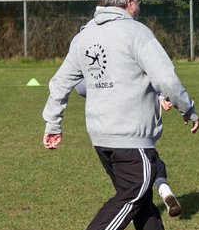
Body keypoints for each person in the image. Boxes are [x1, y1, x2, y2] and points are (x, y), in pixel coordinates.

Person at [42, 0, 199, 230]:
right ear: (129, 3)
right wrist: (188, 108)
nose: (139, 6)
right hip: (131, 135)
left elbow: (64, 83)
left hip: (101, 136)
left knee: (140, 199)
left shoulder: (84, 36)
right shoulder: (135, 32)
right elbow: (166, 78)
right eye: (138, 0)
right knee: (132, 195)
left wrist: (53, 123)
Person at [74, 79, 183, 217]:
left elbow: (81, 88)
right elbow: (151, 74)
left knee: (125, 170)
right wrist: (161, 97)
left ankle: (131, 207)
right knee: (147, 156)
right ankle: (163, 190)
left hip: (105, 126)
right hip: (135, 116)